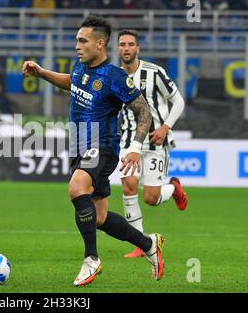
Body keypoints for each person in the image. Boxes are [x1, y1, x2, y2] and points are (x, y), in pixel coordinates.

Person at [22, 15, 165, 286]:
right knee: (98, 217)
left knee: (77, 188)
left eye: (82, 40)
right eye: (77, 39)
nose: (77, 45)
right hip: (79, 145)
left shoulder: (114, 76)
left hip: (102, 145)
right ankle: (149, 245)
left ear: (100, 44)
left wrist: (135, 147)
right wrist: (42, 73)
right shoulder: (80, 67)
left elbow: (143, 111)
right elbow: (73, 82)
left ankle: (92, 259)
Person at [117, 29, 188, 258]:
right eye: (122, 44)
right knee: (128, 186)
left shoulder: (155, 73)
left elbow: (178, 101)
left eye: (130, 44)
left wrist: (165, 127)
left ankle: (173, 188)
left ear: (137, 48)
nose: (126, 48)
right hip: (129, 141)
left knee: (151, 198)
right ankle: (141, 242)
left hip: (156, 141)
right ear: (118, 49)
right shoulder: (115, 77)